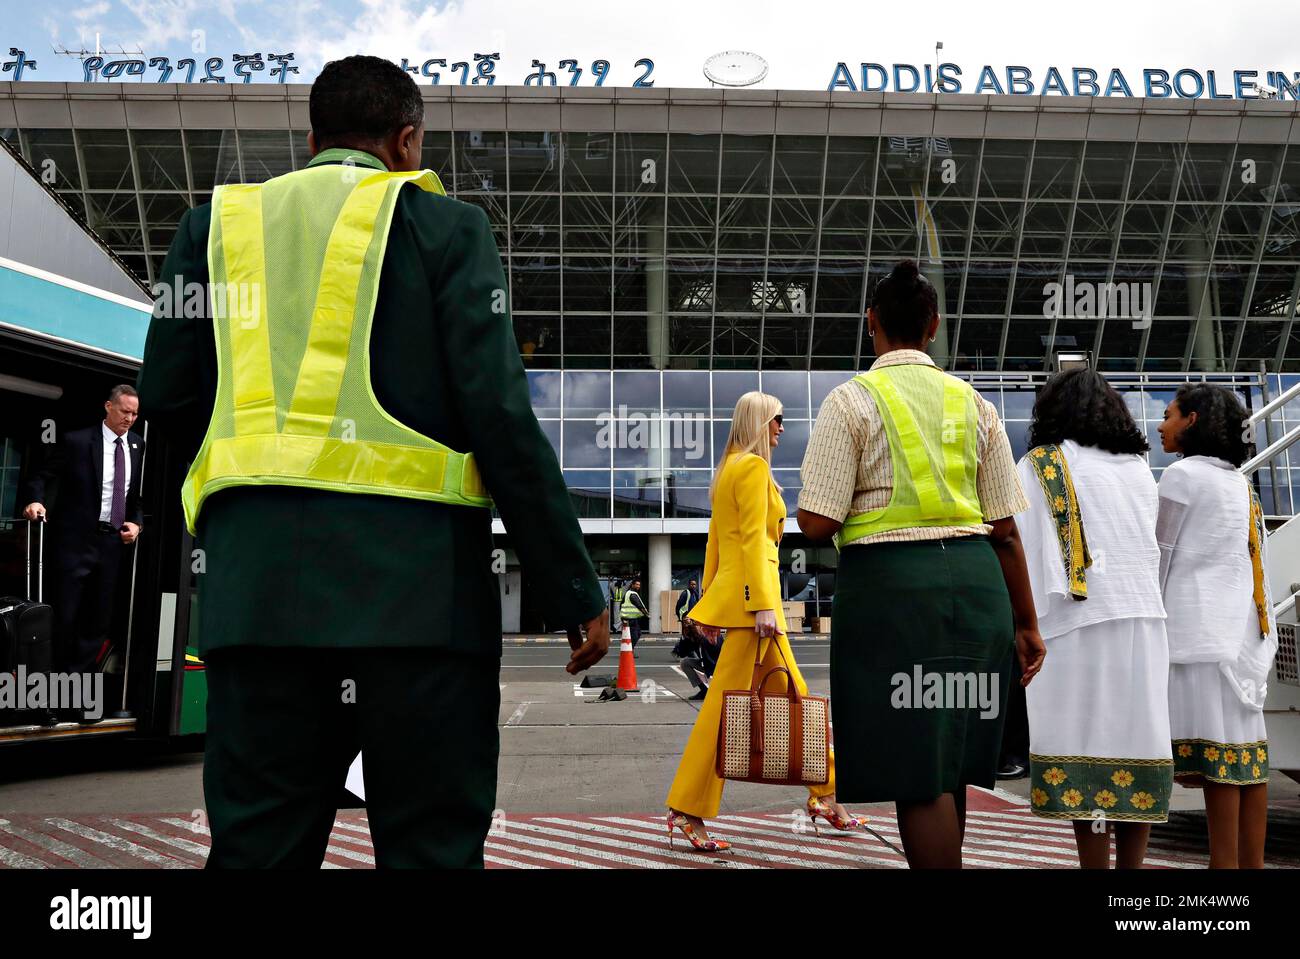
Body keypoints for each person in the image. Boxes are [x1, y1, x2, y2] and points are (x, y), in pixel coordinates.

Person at [136, 55, 608, 869]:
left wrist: (218, 546)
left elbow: (169, 408)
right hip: (420, 609)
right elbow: (499, 418)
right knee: (430, 848)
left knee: (256, 848)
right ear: (407, 140)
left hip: (256, 608)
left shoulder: (214, 227)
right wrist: (570, 583)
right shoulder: (449, 228)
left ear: (312, 138)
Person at [796, 259, 1045, 869]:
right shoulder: (975, 404)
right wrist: (1027, 624)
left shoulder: (851, 401)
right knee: (950, 755)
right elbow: (1007, 531)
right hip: (979, 588)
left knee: (919, 768)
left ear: (870, 323)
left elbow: (818, 522)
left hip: (897, 596)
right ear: (933, 327)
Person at [666, 391, 865, 852]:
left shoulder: (729, 469)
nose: (781, 427)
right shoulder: (753, 468)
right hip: (755, 610)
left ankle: (826, 794)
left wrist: (707, 609)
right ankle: (691, 807)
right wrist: (761, 606)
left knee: (785, 698)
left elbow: (717, 547)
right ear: (758, 422)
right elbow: (755, 541)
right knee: (737, 711)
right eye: (776, 420)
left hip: (744, 607)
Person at [1014, 369, 1173, 869]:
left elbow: (1016, 541)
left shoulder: (1042, 463)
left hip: (1076, 624)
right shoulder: (1138, 468)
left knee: (1088, 753)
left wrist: (1021, 622)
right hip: (1143, 619)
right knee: (1136, 748)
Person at [1157, 383, 1276, 869]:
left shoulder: (1181, 476)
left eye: (1168, 414)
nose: (1160, 424)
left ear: (1192, 420)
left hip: (1198, 637)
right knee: (1247, 760)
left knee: (1221, 762)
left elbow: (1158, 558)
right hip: (1241, 637)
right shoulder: (1239, 483)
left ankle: (1222, 871)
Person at [21, 384, 144, 677]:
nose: (130, 418)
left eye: (135, 414)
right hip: (75, 542)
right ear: (108, 406)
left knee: (97, 621)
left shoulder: (138, 445)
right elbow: (41, 475)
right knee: (65, 615)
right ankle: (53, 687)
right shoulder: (77, 441)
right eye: (125, 411)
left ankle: (78, 692)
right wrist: (36, 501)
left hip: (111, 544)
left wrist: (136, 523)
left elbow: (134, 495)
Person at [620, 577, 649, 653]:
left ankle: (630, 649)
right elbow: (639, 605)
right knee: (634, 635)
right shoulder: (632, 594)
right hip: (630, 618)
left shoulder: (628, 593)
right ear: (632, 585)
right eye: (636, 584)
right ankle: (629, 650)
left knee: (637, 633)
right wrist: (646, 614)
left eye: (639, 585)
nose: (638, 586)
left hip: (629, 617)